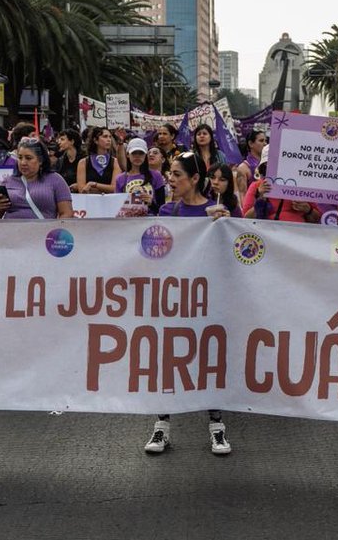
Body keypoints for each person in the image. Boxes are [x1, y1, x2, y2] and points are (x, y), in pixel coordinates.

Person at [146, 151, 232, 456]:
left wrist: (225, 225)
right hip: (172, 299)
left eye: (177, 174)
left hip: (207, 298)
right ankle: (161, 427)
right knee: (169, 361)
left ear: (195, 179)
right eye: (169, 173)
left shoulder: (216, 211)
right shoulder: (167, 211)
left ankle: (217, 429)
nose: (171, 178)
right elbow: (153, 252)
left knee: (208, 362)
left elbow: (232, 254)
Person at [0, 138, 74, 220]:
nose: (23, 162)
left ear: (40, 160)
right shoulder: (8, 182)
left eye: (28, 158)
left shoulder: (56, 180)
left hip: (43, 234)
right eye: (20, 158)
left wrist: (52, 232)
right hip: (12, 234)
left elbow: (67, 213)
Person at [115, 138, 168, 215]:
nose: (137, 156)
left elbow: (162, 207)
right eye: (134, 153)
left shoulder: (156, 175)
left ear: (146, 155)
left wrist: (151, 203)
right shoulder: (120, 178)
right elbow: (117, 207)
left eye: (141, 153)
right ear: (127, 155)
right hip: (128, 222)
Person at [76, 128, 121, 195]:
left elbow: (114, 188)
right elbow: (82, 189)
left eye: (110, 137)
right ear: (95, 140)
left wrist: (93, 185)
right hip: (90, 202)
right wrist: (105, 189)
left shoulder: (115, 162)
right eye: (105, 136)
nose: (109, 140)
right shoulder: (83, 163)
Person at [235, 129, 266, 196]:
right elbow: (243, 196)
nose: (265, 144)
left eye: (265, 141)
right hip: (253, 205)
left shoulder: (270, 164)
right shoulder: (243, 168)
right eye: (261, 141)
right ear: (251, 144)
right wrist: (257, 192)